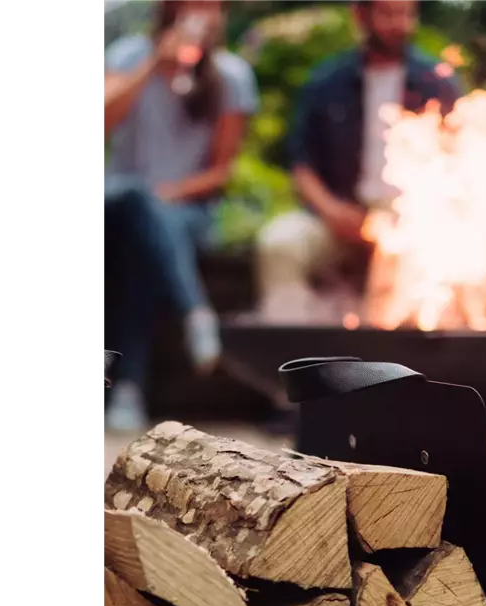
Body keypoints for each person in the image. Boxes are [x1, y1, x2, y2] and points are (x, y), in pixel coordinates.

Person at [100, 0, 260, 431]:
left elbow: (221, 171)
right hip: (118, 202)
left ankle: (127, 390)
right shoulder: (129, 55)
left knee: (145, 239)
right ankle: (197, 313)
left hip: (186, 212)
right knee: (136, 201)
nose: (204, 14)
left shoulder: (232, 76)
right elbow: (103, 122)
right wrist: (154, 63)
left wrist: (167, 196)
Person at [255, 0, 461, 319]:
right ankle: (290, 352)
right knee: (280, 243)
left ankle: (407, 358)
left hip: (412, 223)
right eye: (388, 14)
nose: (399, 24)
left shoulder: (436, 83)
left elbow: (460, 167)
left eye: (406, 14)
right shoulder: (326, 83)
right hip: (341, 215)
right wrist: (331, 210)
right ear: (360, 15)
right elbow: (301, 164)